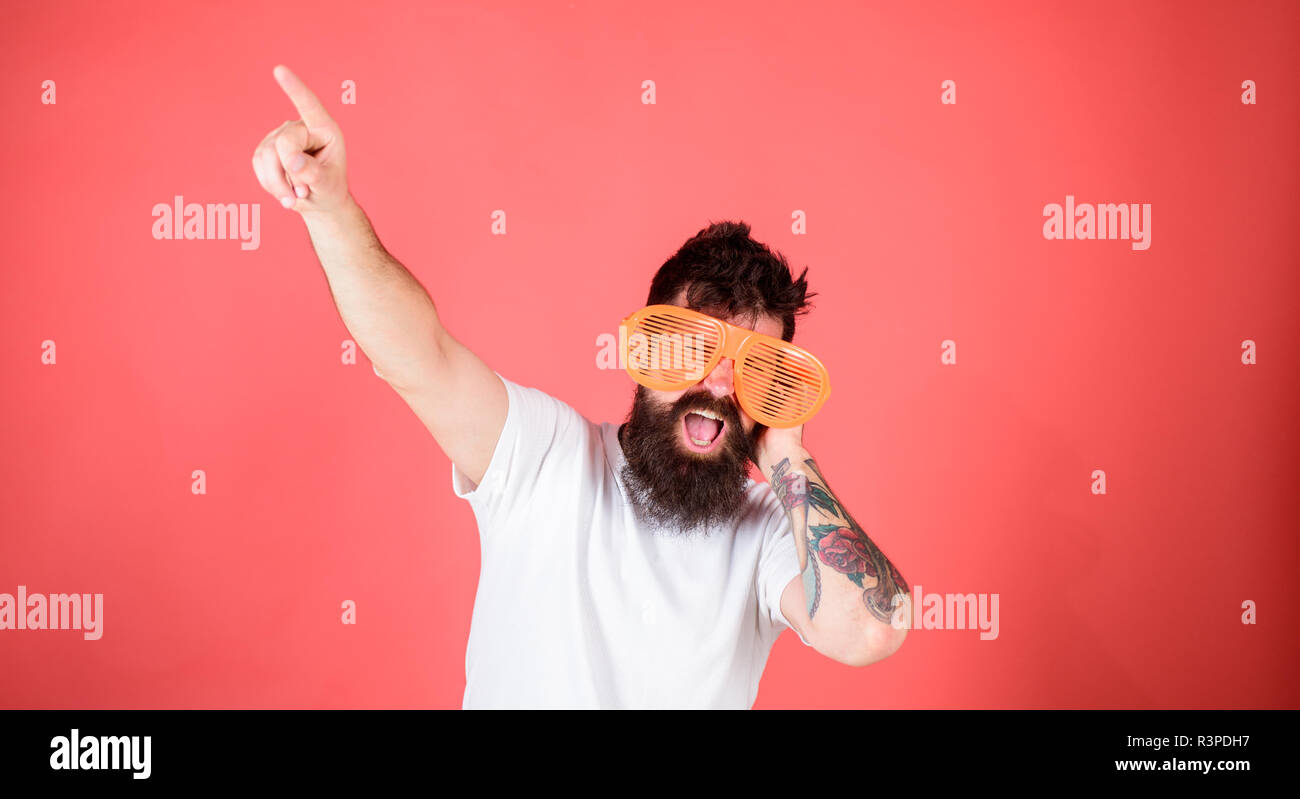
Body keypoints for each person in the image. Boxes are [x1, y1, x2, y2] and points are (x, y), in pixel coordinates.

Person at [251, 65, 910, 709]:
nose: (718, 380)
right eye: (692, 345)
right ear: (642, 349)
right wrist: (331, 210)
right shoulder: (547, 458)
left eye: (753, 366)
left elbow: (869, 629)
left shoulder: (770, 533)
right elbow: (416, 355)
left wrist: (788, 453)